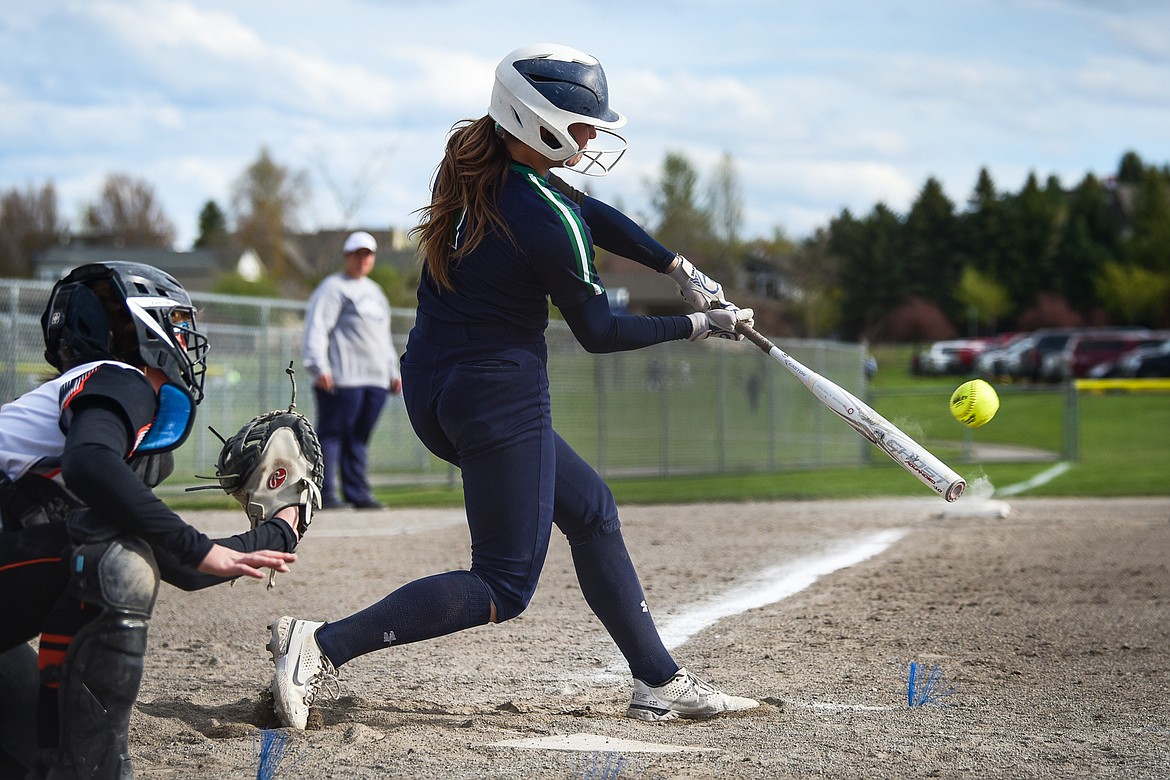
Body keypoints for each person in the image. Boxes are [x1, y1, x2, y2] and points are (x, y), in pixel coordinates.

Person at [268, 43, 759, 729]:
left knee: (590, 508)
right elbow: (598, 331)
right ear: (538, 121)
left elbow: (589, 213)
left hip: (440, 384)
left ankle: (658, 680)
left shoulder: (482, 168)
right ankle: (320, 645)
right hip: (496, 393)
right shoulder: (543, 215)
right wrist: (697, 324)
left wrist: (674, 262)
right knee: (503, 584)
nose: (590, 138)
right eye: (582, 125)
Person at [0, 262, 302, 778]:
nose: (189, 340)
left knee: (35, 759)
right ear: (147, 326)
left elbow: (176, 564)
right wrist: (198, 547)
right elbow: (91, 467)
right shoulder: (121, 378)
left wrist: (280, 529)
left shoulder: (87, 417)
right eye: (180, 323)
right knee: (111, 562)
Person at [302, 231, 402, 510]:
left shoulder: (375, 292)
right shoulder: (333, 288)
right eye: (357, 254)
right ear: (347, 256)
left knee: (359, 437)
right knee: (332, 435)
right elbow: (318, 328)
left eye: (367, 254)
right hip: (343, 377)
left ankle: (357, 493)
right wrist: (317, 365)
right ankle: (325, 493)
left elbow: (383, 337)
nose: (362, 260)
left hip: (375, 379)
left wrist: (392, 372)